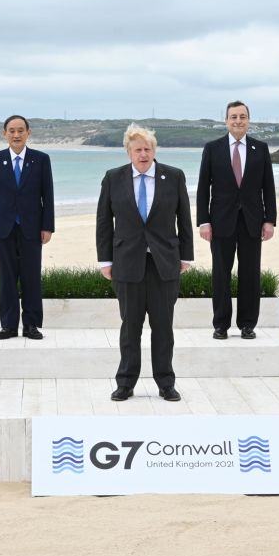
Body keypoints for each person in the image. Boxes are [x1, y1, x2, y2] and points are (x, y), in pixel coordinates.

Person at [96, 124, 194, 402]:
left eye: (147, 149)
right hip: (126, 263)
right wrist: (105, 260)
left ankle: (166, 383)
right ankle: (125, 383)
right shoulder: (113, 178)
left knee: (163, 328)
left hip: (165, 263)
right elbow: (104, 222)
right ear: (129, 151)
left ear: (154, 151)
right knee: (130, 328)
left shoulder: (173, 177)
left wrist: (185, 256)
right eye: (137, 149)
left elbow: (184, 219)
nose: (143, 154)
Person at [196, 100, 277, 340]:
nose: (238, 121)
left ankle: (247, 324)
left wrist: (270, 219)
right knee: (221, 274)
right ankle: (221, 325)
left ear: (248, 121)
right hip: (221, 221)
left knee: (250, 274)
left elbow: (268, 187)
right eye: (234, 117)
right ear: (226, 121)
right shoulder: (213, 148)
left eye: (242, 117)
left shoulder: (260, 149)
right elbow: (203, 188)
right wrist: (204, 221)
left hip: (252, 220)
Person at [0, 115, 55, 340]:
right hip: (3, 227)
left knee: (31, 277)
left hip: (32, 228)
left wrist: (48, 226)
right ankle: (9, 326)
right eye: (11, 131)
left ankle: (31, 325)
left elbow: (48, 195)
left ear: (28, 133)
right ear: (4, 134)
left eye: (20, 130)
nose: (16, 135)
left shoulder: (41, 160)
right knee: (7, 278)